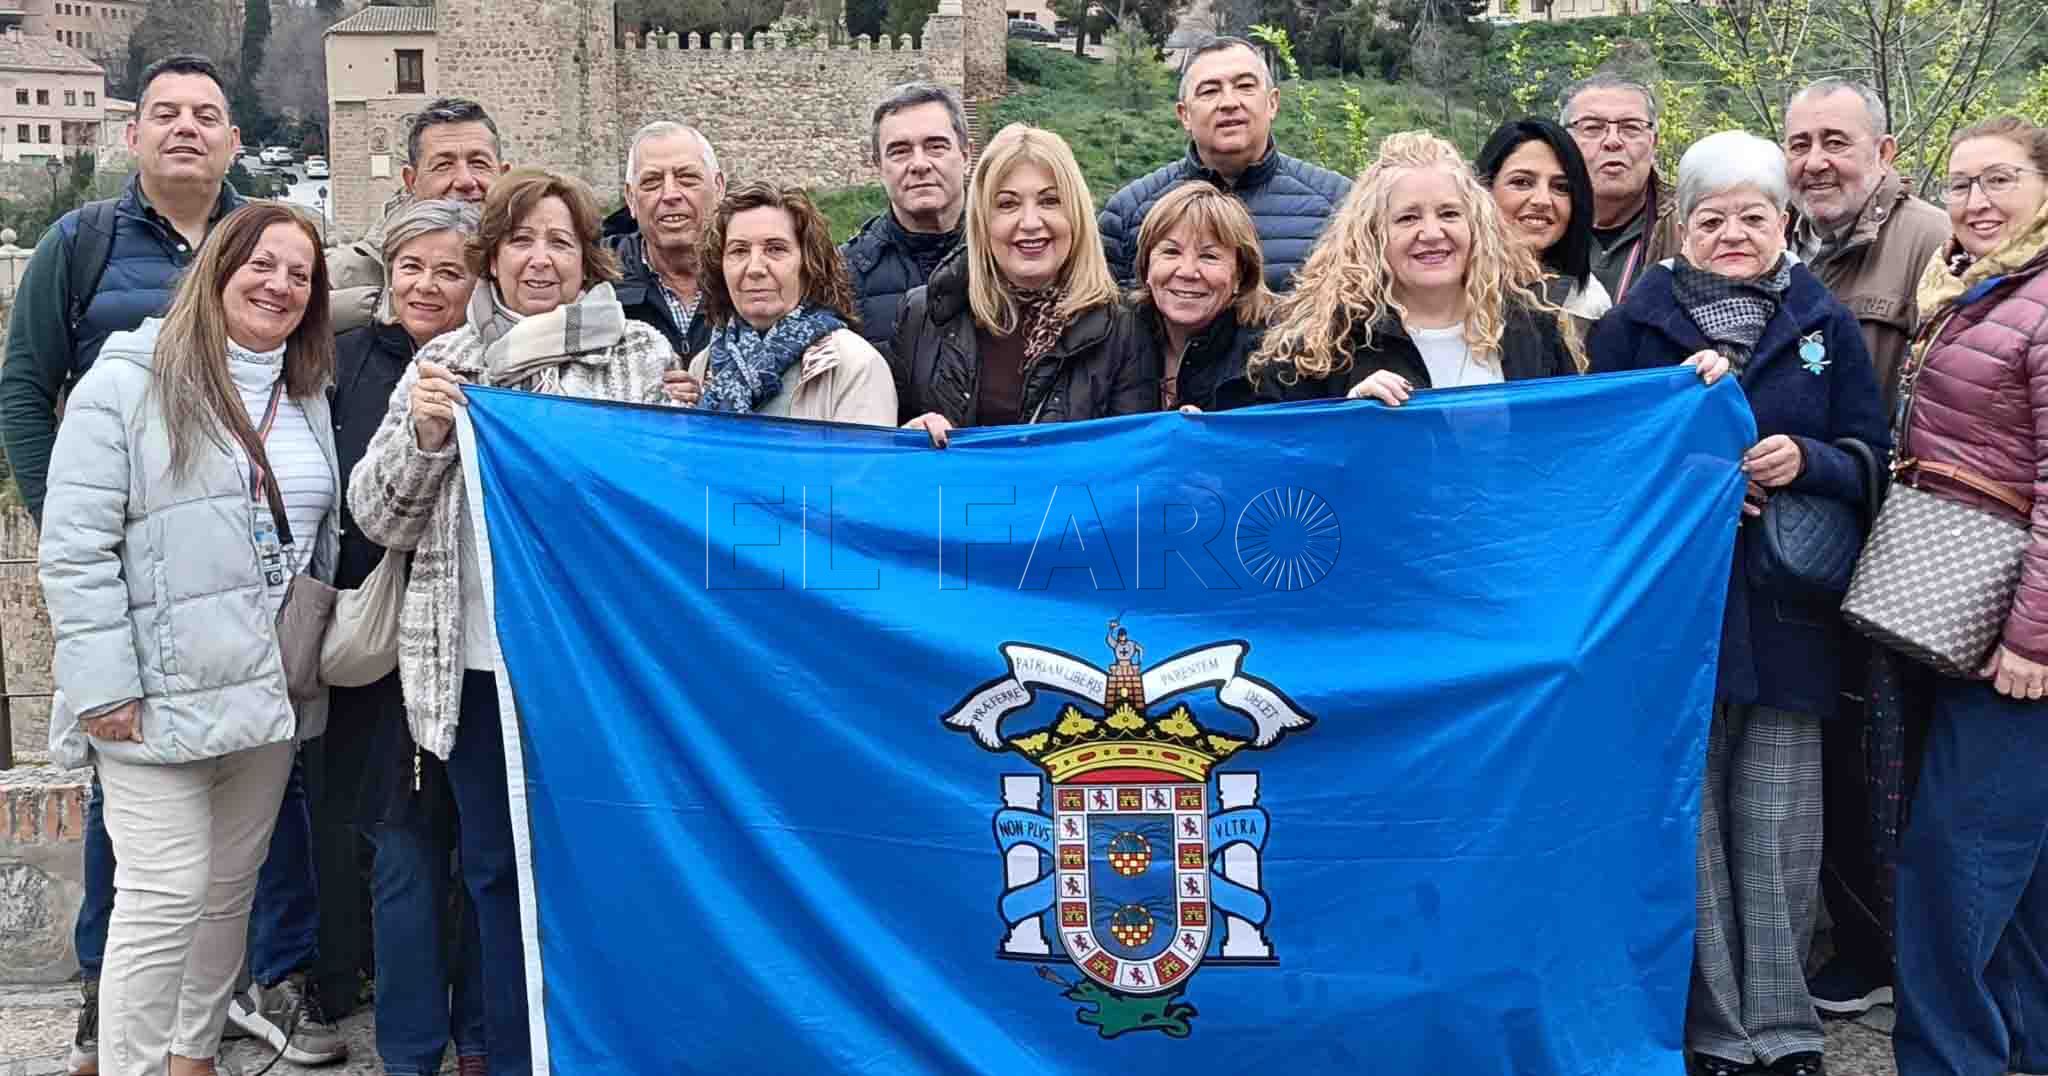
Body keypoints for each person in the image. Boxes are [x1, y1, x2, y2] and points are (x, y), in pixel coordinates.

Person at [0, 55, 344, 1075]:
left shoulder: (308, 391)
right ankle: (131, 1058)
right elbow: (73, 535)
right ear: (217, 274)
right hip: (151, 691)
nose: (277, 283)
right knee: (161, 890)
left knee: (228, 890)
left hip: (263, 691)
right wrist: (102, 682)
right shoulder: (125, 377)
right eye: (258, 266)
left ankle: (191, 1057)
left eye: (298, 272)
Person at [349, 168, 681, 1076]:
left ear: (587, 262)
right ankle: (509, 1048)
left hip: (592, 675)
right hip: (479, 669)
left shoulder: (640, 357)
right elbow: (378, 517)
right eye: (523, 241)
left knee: (603, 868)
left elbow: (669, 504)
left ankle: (603, 1047)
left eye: (561, 243)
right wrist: (422, 437)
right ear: (492, 257)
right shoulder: (443, 364)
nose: (542, 259)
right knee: (493, 872)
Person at [1587, 130, 1887, 1076]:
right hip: (1679, 613)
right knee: (1695, 827)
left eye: (1753, 215)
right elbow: (1602, 460)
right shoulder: (1636, 323)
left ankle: (1788, 1029)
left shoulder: (1821, 322)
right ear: (1682, 223)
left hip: (1789, 610)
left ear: (1783, 220)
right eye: (1712, 216)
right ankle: (1719, 1030)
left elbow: (1870, 453)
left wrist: (1808, 463)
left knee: (1781, 825)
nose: (1733, 232)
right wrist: (1696, 473)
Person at [1779, 76, 1950, 1021]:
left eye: (1837, 142)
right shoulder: (1786, 242)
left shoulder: (1927, 243)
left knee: (1898, 757)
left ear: (1884, 153)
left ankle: (1893, 955)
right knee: (1846, 747)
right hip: (1823, 539)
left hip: (1905, 541)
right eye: (1800, 143)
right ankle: (1862, 943)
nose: (1816, 161)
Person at [1888, 115, 2048, 1076]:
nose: (1977, 203)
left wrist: (2034, 638)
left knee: (1954, 867)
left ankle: (1948, 1061)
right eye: (1960, 185)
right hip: (1967, 606)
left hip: (2012, 630)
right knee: (2018, 878)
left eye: (2000, 182)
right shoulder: (1979, 291)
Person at [330, 198, 489, 1076]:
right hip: (383, 639)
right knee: (400, 854)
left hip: (463, 644)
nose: (427, 286)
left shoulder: (498, 365)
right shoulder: (345, 362)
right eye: (411, 268)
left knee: (483, 859)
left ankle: (478, 1037)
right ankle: (409, 1045)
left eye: (450, 270)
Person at [1246, 132, 1579, 405]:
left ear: (1477, 226)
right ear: (1373, 234)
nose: (1432, 234)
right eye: (1408, 218)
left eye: (1449, 214)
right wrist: (1347, 419)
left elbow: (1574, 445)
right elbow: (1283, 465)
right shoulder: (1322, 347)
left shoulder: (1534, 328)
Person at [892, 123, 1156, 446]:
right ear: (983, 221)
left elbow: (1132, 459)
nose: (1030, 223)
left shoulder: (1124, 328)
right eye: (1007, 204)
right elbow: (886, 451)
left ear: (1076, 214)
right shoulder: (923, 315)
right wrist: (909, 434)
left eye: (1049, 201)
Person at [1097, 35, 1349, 293]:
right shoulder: (1127, 213)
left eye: (1245, 86)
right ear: (1184, 114)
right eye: (1210, 91)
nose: (1229, 103)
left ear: (1272, 103)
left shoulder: (1342, 204)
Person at [686, 182, 896, 424]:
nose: (755, 268)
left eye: (775, 249)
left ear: (809, 264)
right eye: (739, 251)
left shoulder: (853, 365)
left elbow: (861, 462)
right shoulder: (704, 365)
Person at [328, 99, 507, 332]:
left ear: (503, 176)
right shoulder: (355, 270)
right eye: (443, 165)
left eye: (479, 164)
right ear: (411, 181)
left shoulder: (541, 260)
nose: (465, 180)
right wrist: (384, 304)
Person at [841, 83, 969, 356]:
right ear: (878, 166)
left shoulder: (1010, 256)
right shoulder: (842, 277)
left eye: (935, 146)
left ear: (965, 155)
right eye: (900, 151)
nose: (919, 164)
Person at [1127, 180, 1275, 411]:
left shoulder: (1272, 356)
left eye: (1209, 256)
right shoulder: (1114, 338)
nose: (1187, 271)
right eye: (1171, 252)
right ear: (1146, 266)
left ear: (1240, 274)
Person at [1474, 118, 1612, 327]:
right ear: (1484, 187)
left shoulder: (1588, 304)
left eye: (1560, 187)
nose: (1542, 200)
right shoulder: (1442, 284)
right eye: (1522, 182)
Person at [1560, 74, 1682, 303]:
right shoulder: (1537, 220)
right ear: (1564, 141)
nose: (1612, 141)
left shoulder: (1690, 227)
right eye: (1592, 128)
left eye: (1631, 128)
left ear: (1654, 142)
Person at [608, 121, 723, 359]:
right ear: (630, 199)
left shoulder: (757, 276)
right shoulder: (597, 283)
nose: (670, 194)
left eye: (687, 178)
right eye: (652, 182)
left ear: (719, 187)